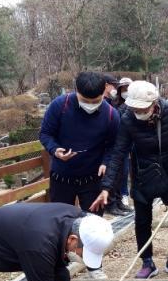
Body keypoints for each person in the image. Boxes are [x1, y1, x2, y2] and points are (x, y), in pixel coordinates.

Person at [90, 81, 168, 280]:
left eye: (143, 108)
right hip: (143, 173)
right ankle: (147, 262)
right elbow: (118, 153)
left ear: (154, 103)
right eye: (135, 108)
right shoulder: (127, 119)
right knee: (142, 220)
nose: (139, 112)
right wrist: (106, 187)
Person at [39, 71, 120, 213]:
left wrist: (105, 162)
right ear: (76, 91)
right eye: (85, 100)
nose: (90, 105)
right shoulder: (60, 105)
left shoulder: (111, 115)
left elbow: (113, 145)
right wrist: (55, 149)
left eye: (95, 101)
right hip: (61, 177)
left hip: (93, 179)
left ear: (104, 92)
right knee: (61, 220)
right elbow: (45, 133)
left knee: (93, 224)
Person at [104, 76, 134, 216]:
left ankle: (118, 201)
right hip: (114, 144)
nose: (125, 91)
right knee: (113, 174)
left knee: (121, 175)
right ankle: (111, 203)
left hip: (125, 144)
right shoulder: (112, 104)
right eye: (123, 89)